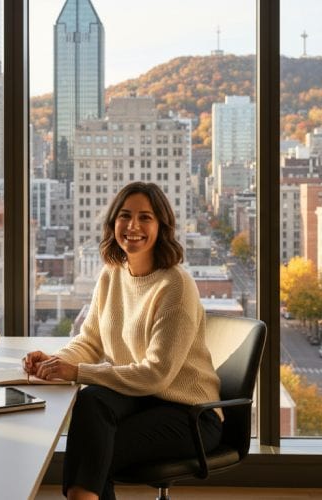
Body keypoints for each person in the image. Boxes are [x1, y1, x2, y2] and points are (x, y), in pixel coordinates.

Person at [23, 182, 223, 500]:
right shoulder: (112, 274)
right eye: (125, 216)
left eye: (145, 217)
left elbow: (156, 374)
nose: (133, 226)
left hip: (190, 414)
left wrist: (75, 373)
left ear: (162, 227)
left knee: (96, 452)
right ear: (113, 222)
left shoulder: (175, 285)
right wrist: (53, 362)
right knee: (93, 401)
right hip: (141, 401)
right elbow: (89, 342)